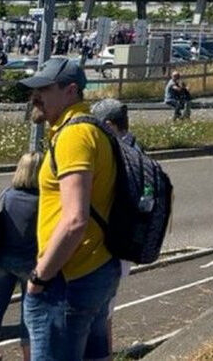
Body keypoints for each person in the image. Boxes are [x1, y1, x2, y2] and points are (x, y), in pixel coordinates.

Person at [17, 58, 121, 360]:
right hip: (97, 268)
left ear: (71, 91)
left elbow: (75, 220)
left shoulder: (73, 136)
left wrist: (38, 279)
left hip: (68, 277)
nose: (35, 96)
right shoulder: (94, 129)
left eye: (44, 89)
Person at [90, 98, 138, 356]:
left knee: (102, 308)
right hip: (126, 239)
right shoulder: (135, 149)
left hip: (111, 240)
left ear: (109, 125)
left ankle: (105, 354)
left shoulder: (118, 154)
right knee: (105, 306)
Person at [0, 153, 42, 361]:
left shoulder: (8, 194)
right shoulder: (41, 199)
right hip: (28, 261)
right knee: (28, 309)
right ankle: (28, 355)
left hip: (3, 258)